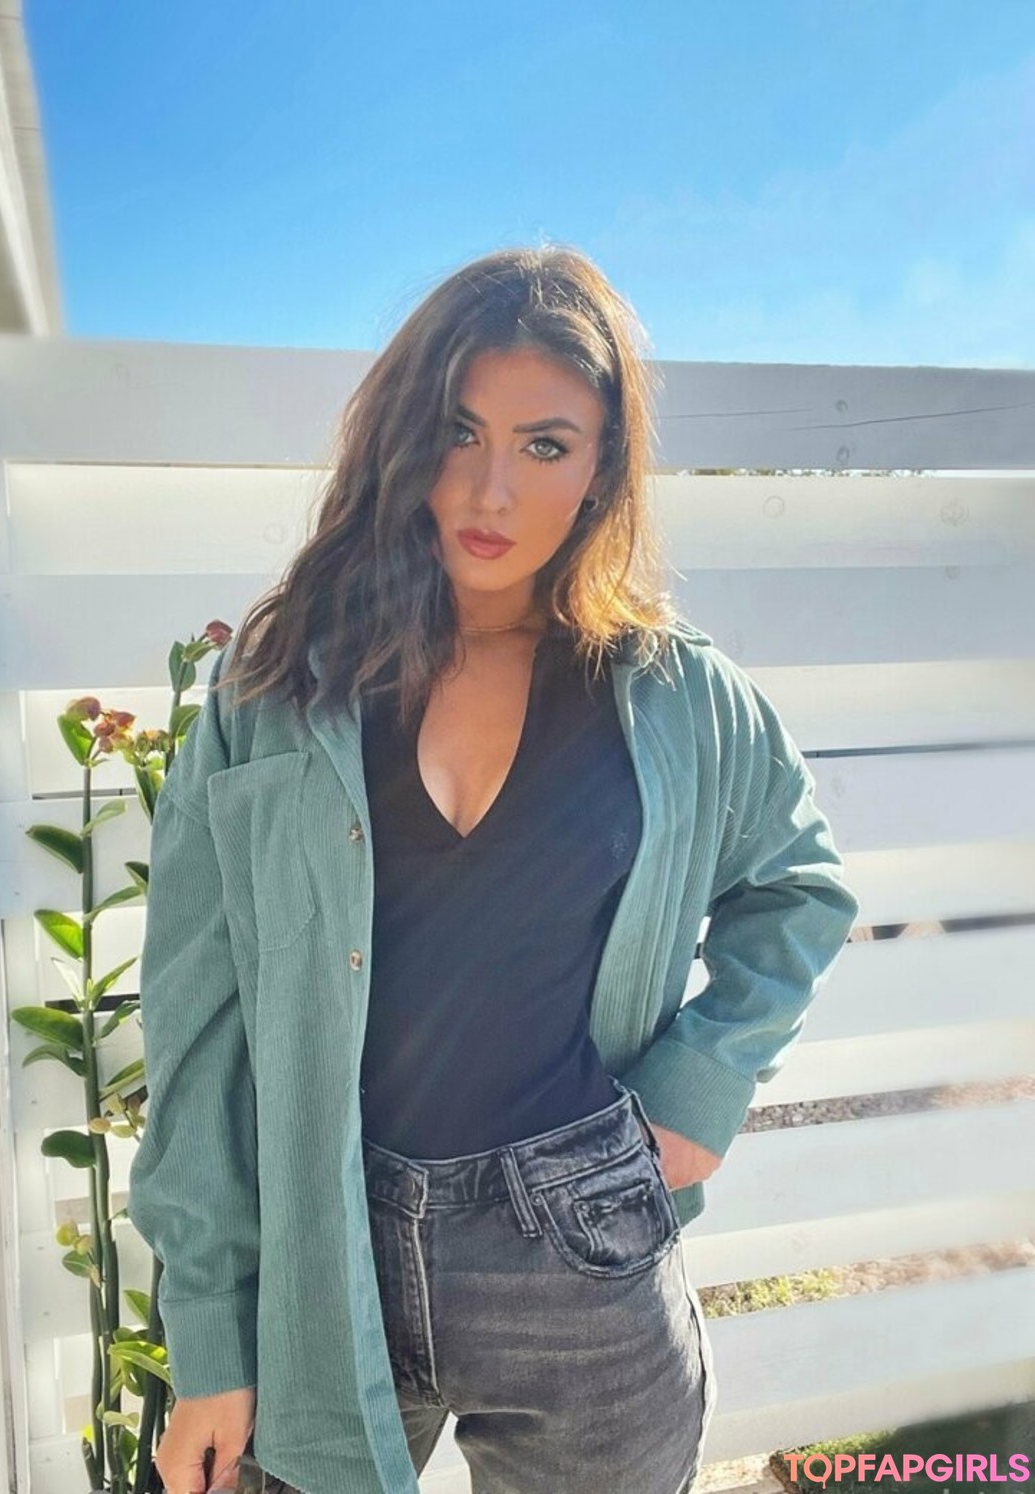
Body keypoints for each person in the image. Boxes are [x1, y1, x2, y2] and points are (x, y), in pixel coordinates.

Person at [127, 245, 860, 1494]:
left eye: (545, 445)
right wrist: (209, 1334)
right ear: (400, 436)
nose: (490, 488)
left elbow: (800, 888)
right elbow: (196, 1025)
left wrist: (700, 1087)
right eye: (458, 431)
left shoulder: (678, 694)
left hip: (584, 1254)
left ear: (602, 469)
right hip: (328, 1261)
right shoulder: (274, 692)